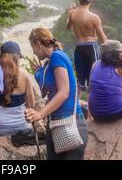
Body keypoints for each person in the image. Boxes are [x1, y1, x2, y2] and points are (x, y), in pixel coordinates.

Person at [25, 27, 88, 160]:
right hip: (55, 124)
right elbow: (43, 92)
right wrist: (39, 73)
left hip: (70, 124)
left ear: (38, 43)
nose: (34, 52)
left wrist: (40, 114)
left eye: (33, 47)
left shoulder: (57, 56)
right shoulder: (48, 63)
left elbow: (64, 92)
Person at [0, 41, 35, 136]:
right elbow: (31, 104)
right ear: (17, 57)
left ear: (1, 57)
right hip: (21, 127)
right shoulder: (24, 74)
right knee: (31, 130)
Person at [67, 0, 107, 92]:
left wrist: (70, 13)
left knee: (81, 80)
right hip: (91, 47)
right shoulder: (93, 17)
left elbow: (69, 27)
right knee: (94, 78)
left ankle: (77, 104)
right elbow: (103, 39)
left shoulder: (73, 14)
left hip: (79, 48)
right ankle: (94, 105)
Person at [88, 40, 122, 122]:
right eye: (121, 52)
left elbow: (91, 89)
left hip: (96, 115)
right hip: (114, 114)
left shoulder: (95, 64)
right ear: (114, 53)